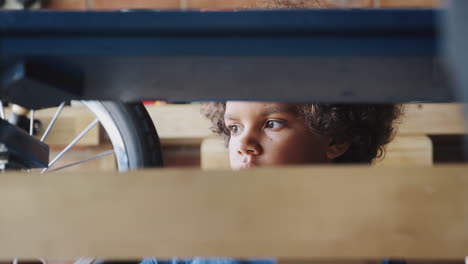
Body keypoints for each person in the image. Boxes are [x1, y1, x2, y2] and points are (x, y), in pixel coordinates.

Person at [201, 102, 403, 169]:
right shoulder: (204, 230)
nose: (243, 144)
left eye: (272, 124)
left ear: (336, 139)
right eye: (235, 128)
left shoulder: (373, 232)